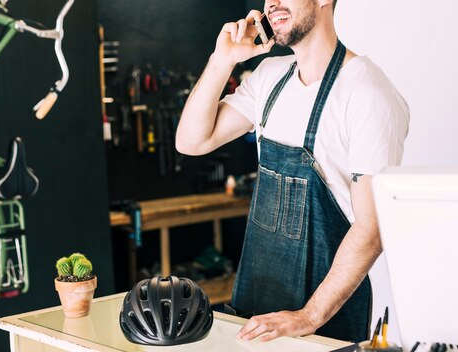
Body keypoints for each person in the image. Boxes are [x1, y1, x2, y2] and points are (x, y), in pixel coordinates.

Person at [175, 0, 409, 343]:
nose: (272, 4)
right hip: (255, 306)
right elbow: (192, 141)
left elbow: (371, 228)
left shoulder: (367, 93)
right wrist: (221, 59)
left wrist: (308, 316)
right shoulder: (270, 76)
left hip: (324, 320)